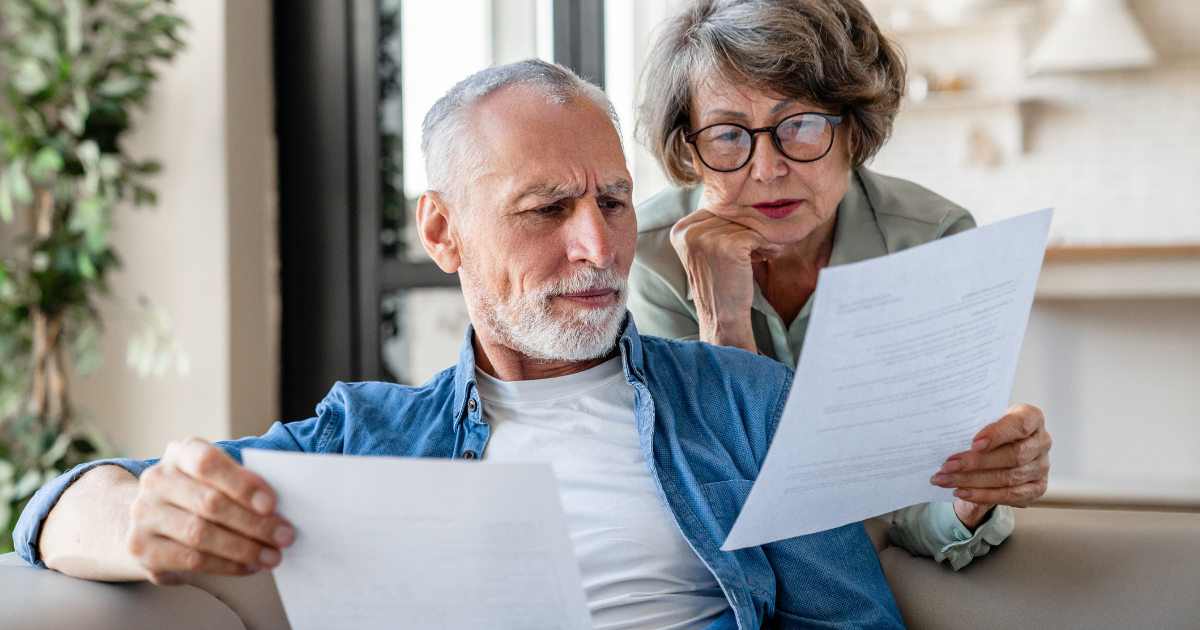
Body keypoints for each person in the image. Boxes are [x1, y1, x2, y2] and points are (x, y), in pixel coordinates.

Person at [15, 60, 904, 630]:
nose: (599, 248)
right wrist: (143, 523)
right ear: (442, 232)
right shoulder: (368, 437)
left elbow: (852, 623)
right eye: (548, 208)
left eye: (615, 201)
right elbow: (52, 509)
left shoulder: (744, 401)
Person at [629, 0, 1051, 570]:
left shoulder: (932, 242)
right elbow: (710, 501)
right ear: (691, 151)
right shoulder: (652, 255)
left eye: (799, 125)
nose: (767, 168)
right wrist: (723, 323)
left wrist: (972, 494)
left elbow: (913, 504)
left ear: (853, 130)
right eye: (728, 135)